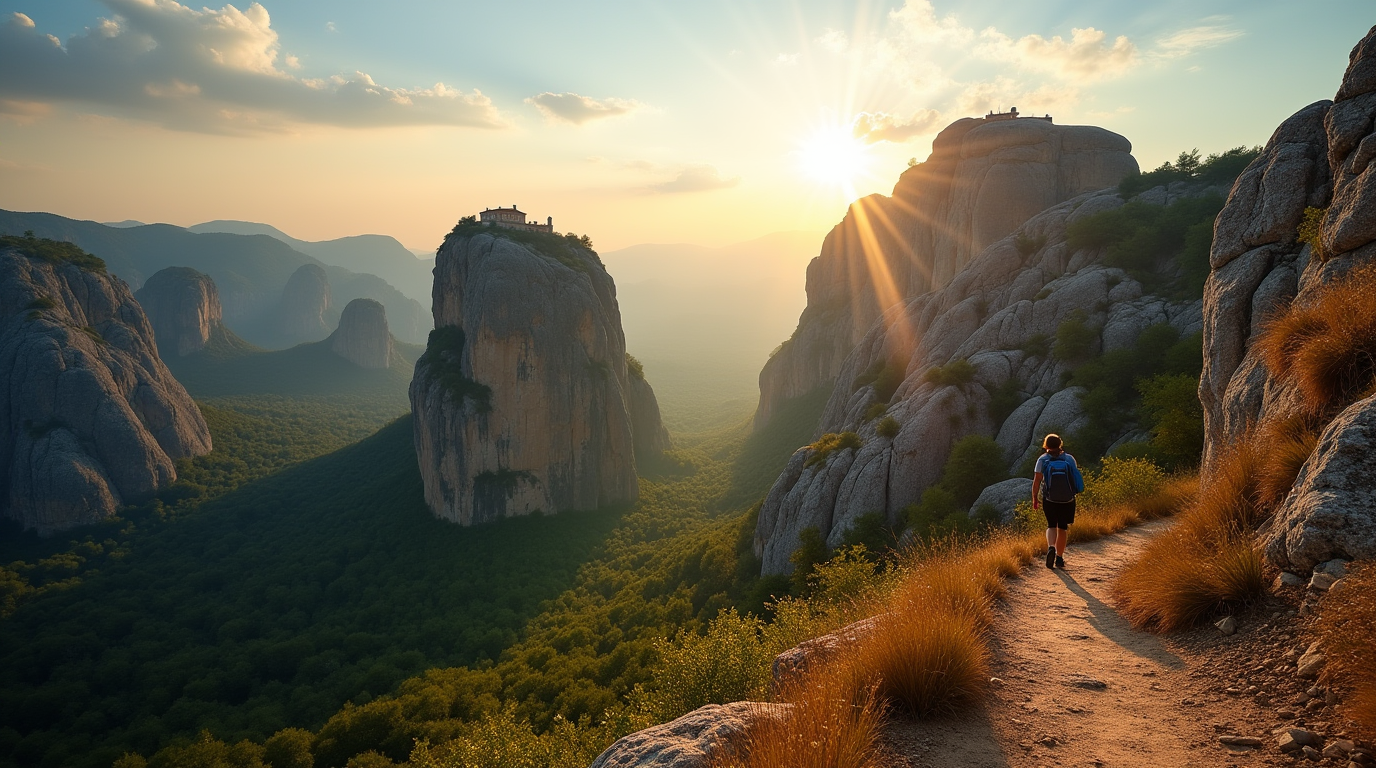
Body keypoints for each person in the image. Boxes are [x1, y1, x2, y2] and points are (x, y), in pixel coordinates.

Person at [1032, 433, 1081, 569]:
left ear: (1046, 445)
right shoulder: (1069, 459)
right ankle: (1059, 558)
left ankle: (1051, 547)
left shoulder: (1042, 460)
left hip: (1050, 499)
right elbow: (1074, 478)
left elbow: (1036, 482)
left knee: (1051, 525)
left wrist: (1035, 498)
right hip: (1068, 499)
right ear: (1060, 444)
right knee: (1063, 528)